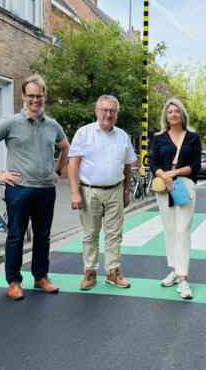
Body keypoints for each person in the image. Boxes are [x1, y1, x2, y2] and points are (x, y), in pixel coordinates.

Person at [0, 74, 70, 301]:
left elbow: (65, 146)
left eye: (39, 96)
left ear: (44, 96)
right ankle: (14, 282)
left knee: (43, 235)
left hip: (46, 189)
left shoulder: (52, 125)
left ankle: (41, 277)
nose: (35, 100)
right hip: (19, 190)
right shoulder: (11, 122)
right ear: (23, 96)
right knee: (16, 236)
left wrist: (57, 171)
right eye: (31, 96)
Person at [68, 95, 136, 290]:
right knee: (90, 234)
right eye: (104, 110)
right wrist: (74, 193)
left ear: (116, 114)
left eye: (112, 111)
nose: (108, 114)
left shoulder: (123, 135)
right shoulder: (84, 133)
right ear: (97, 111)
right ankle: (89, 272)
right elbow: (73, 165)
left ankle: (113, 272)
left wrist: (126, 191)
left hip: (115, 190)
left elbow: (127, 166)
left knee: (115, 234)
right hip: (90, 192)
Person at [149, 98, 201, 300]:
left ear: (182, 115)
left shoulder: (192, 138)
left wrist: (175, 172)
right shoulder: (159, 137)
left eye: (176, 111)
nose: (173, 114)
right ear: (166, 116)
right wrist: (162, 174)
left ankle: (183, 278)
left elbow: (195, 166)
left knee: (183, 230)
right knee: (170, 230)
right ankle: (174, 269)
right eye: (169, 111)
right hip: (164, 188)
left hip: (184, 186)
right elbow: (153, 162)